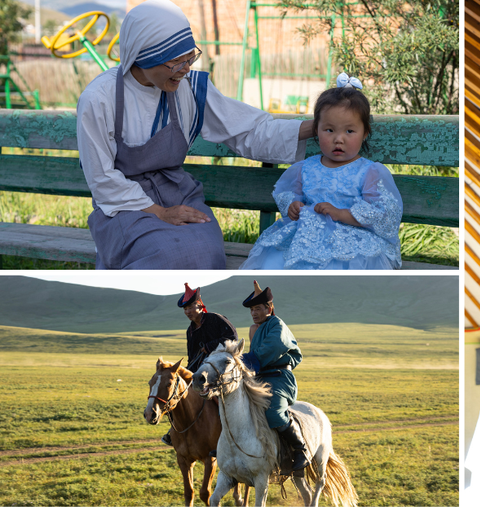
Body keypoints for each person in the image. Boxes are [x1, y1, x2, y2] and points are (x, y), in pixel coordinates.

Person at [76, 0, 312, 269]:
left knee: (207, 254)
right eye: (176, 61)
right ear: (144, 56)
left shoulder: (188, 88)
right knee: (168, 257)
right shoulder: (99, 99)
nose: (186, 68)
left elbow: (248, 130)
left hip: (178, 194)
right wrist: (160, 213)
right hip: (124, 205)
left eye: (190, 57)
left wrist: (314, 127)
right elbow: (101, 178)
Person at [239, 73, 403, 270]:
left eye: (349, 131)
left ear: (365, 132)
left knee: (343, 264)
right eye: (329, 130)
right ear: (316, 129)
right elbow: (294, 195)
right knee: (275, 261)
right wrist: (294, 205)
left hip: (350, 240)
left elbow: (381, 216)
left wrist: (341, 213)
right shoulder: (306, 167)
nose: (338, 139)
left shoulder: (368, 172)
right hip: (306, 239)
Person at [239, 280, 309, 475]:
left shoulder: (277, 324)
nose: (254, 313)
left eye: (258, 308)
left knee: (273, 413)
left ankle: (300, 448)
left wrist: (247, 360)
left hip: (279, 377)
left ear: (269, 308)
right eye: (252, 309)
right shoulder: (255, 329)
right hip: (260, 377)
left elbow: (274, 346)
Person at [161, 282, 238, 447]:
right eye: (185, 310)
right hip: (199, 368)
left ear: (200, 305)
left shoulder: (215, 319)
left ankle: (227, 431)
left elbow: (232, 338)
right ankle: (175, 432)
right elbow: (191, 355)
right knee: (179, 395)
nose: (187, 312)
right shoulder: (190, 330)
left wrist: (209, 347)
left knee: (218, 396)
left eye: (190, 308)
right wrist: (187, 373)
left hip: (220, 368)